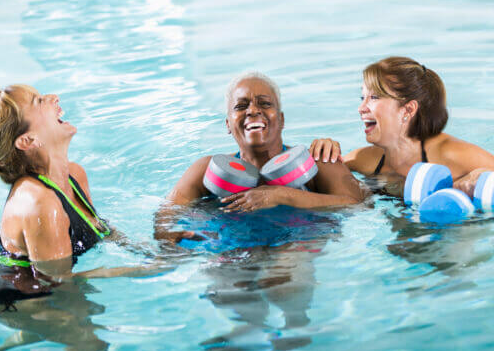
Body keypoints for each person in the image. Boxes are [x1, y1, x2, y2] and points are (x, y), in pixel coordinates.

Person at [0, 85, 167, 287]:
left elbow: (101, 230)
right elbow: (59, 282)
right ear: (28, 140)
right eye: (38, 101)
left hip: (48, 285)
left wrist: (158, 253)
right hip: (16, 296)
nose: (53, 97)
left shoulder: (74, 175)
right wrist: (139, 271)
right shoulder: (39, 203)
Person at [155, 71, 366, 243]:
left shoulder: (317, 160)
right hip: (232, 246)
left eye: (264, 103)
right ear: (228, 124)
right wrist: (165, 233)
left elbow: (357, 204)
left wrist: (281, 196)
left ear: (281, 119)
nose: (252, 110)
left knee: (281, 280)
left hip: (298, 242)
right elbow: (169, 208)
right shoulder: (206, 169)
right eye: (241, 106)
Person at [310, 56, 494, 196]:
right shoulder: (367, 160)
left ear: (408, 110)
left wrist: (482, 176)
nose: (361, 109)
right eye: (361, 98)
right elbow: (315, 177)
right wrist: (325, 150)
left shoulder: (448, 152)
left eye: (374, 98)